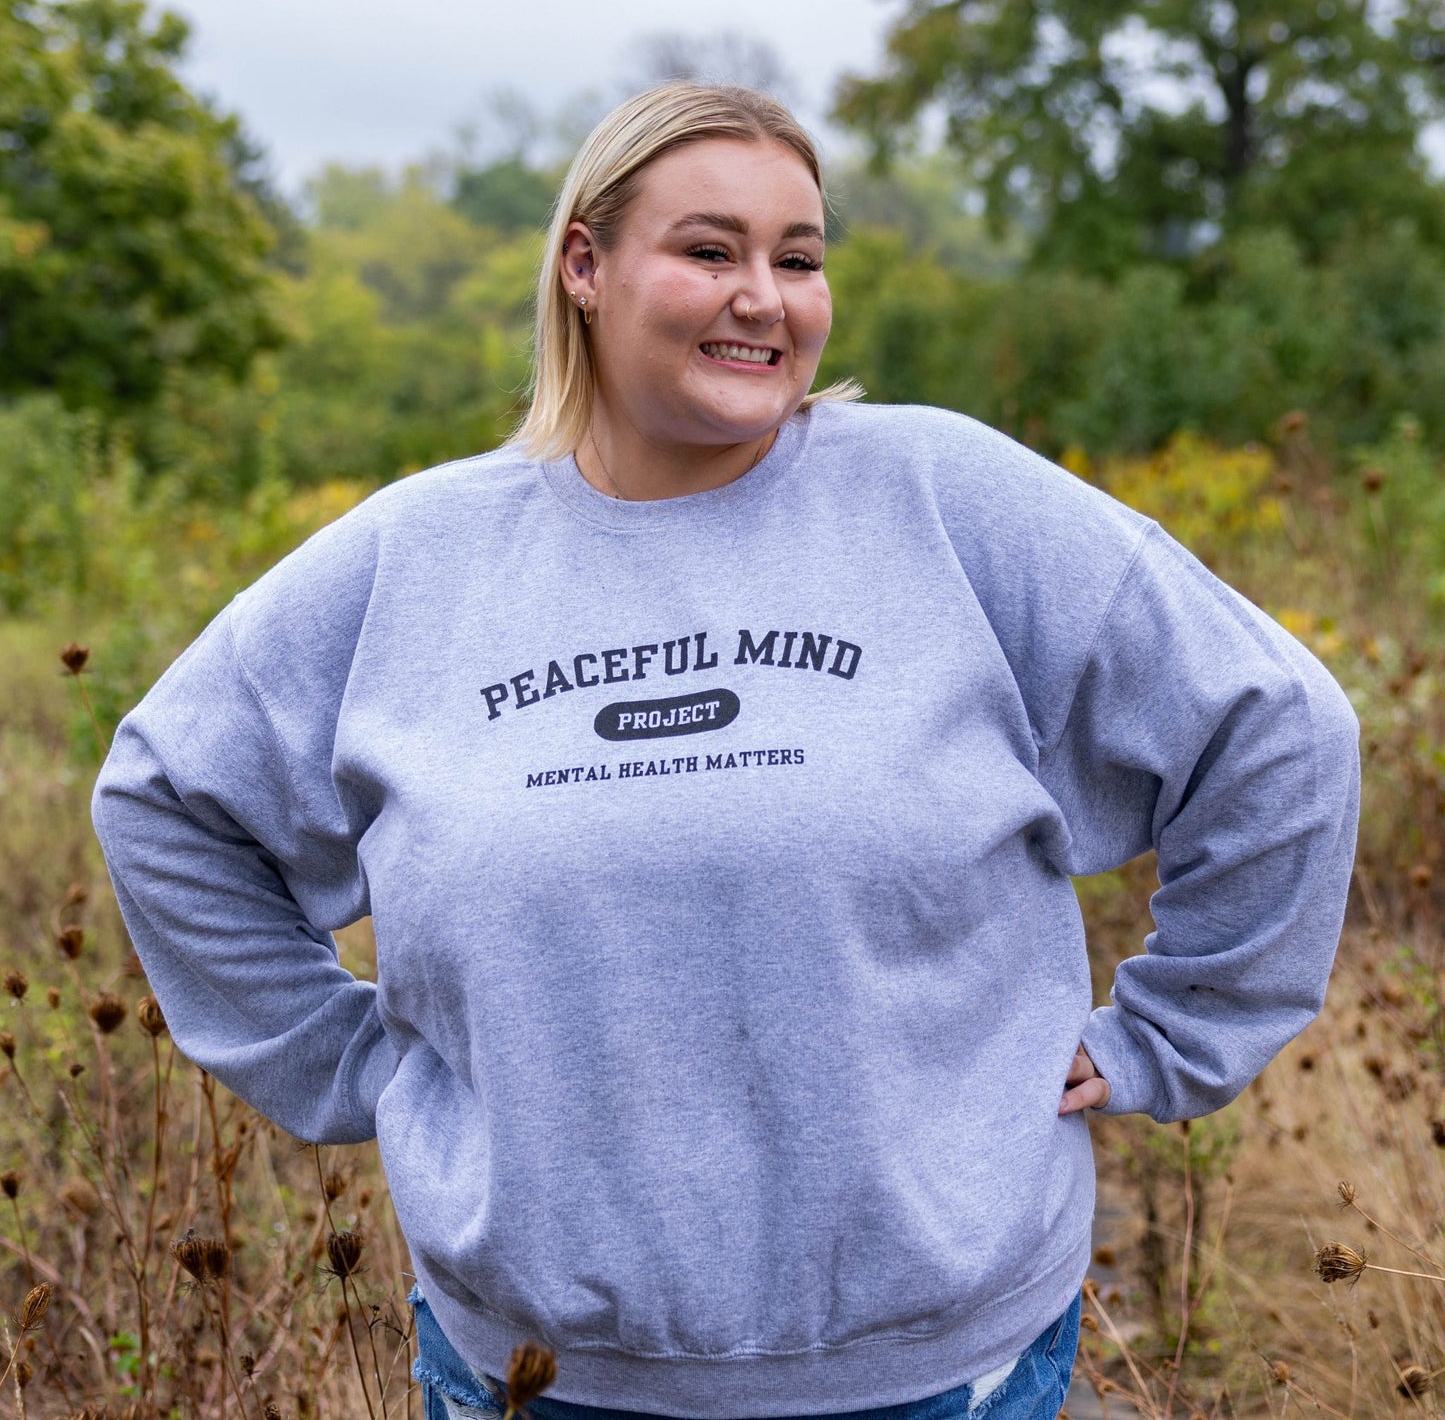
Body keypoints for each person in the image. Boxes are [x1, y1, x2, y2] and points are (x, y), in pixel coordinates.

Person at [91, 82, 1361, 1420]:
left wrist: (1176, 1030)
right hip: (536, 1377)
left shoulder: (945, 500)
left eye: (797, 258)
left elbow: (1277, 722)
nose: (765, 295)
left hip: (936, 1372)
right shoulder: (421, 559)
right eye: (710, 250)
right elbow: (168, 796)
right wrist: (339, 1062)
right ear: (583, 263)